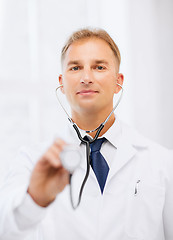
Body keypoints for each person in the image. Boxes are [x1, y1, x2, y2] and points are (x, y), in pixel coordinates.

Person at [0, 28, 173, 240]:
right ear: (61, 83)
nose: (87, 77)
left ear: (118, 82)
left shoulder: (163, 163)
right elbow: (6, 229)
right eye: (75, 67)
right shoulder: (31, 161)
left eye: (99, 67)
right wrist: (34, 200)